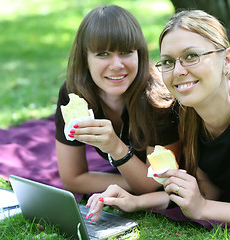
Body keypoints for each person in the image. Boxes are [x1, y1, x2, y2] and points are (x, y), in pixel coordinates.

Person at [85, 7, 230, 230]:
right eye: (168, 62)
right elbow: (203, 191)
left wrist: (204, 208)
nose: (178, 71)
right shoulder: (187, 111)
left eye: (191, 56)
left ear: (227, 60)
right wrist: (136, 201)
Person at [54, 5, 180, 196]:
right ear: (85, 58)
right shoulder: (75, 96)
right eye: (102, 54)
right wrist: (134, 179)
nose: (116, 65)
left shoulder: (159, 98)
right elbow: (73, 179)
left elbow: (154, 182)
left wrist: (115, 147)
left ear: (140, 53)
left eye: (126, 52)